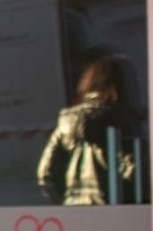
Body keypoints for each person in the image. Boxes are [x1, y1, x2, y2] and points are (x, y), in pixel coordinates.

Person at [38, 54, 141, 206]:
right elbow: (134, 171)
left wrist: (64, 204)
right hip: (113, 212)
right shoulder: (118, 119)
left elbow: (45, 174)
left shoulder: (67, 120)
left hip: (74, 209)